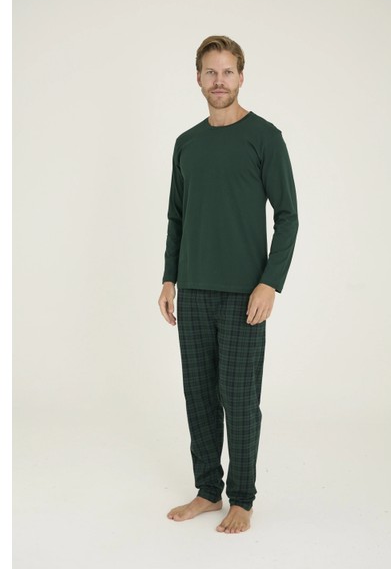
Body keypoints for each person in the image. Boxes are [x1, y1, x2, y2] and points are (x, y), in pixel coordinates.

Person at [158, 35, 298, 534]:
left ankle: (242, 498)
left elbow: (288, 216)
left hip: (244, 295)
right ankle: (206, 491)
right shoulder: (186, 143)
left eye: (228, 72)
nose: (219, 81)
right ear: (198, 78)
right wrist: (169, 278)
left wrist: (269, 283)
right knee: (198, 397)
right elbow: (177, 217)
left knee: (239, 400)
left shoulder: (265, 137)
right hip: (193, 291)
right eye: (210, 72)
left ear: (241, 76)